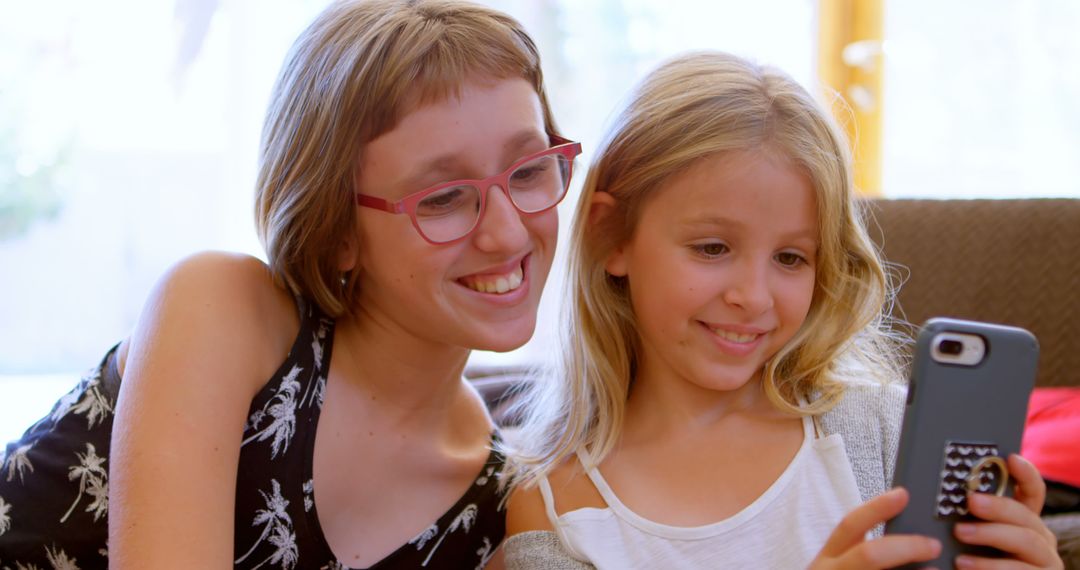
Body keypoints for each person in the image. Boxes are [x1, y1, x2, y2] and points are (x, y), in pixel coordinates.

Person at [0, 0, 581, 567]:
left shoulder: (498, 503)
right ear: (336, 232)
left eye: (528, 171)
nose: (507, 235)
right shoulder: (224, 309)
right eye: (443, 197)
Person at [499, 51, 1062, 569]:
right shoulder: (552, 505)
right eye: (712, 248)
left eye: (791, 258)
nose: (755, 297)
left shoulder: (889, 433)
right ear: (610, 235)